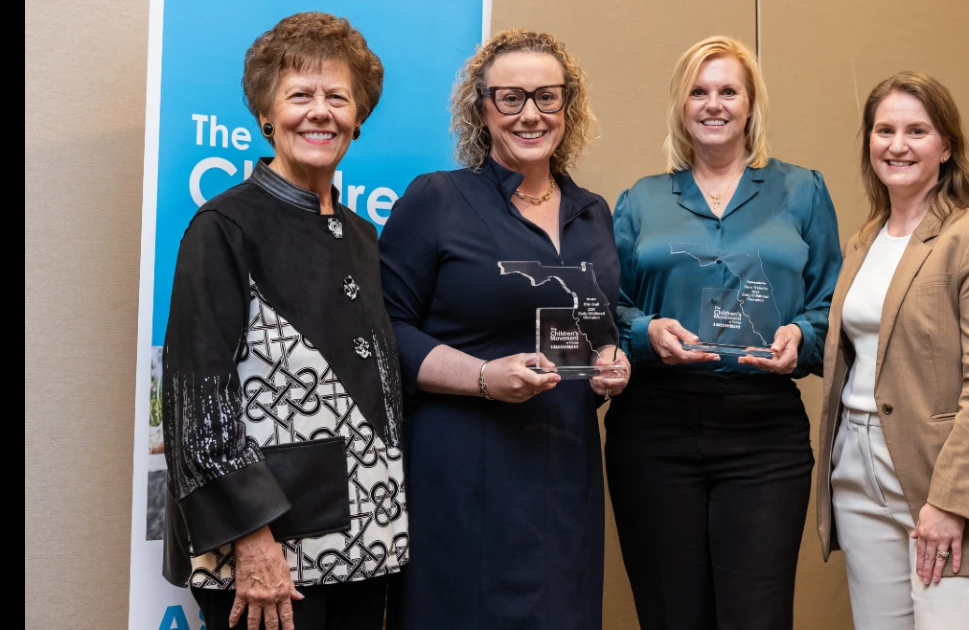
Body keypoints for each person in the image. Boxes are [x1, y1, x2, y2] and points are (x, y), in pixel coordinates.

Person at [159, 12, 405, 630]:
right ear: (267, 114)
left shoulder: (362, 235)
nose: (319, 112)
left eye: (337, 98)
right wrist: (251, 542)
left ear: (358, 117)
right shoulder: (225, 227)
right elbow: (197, 396)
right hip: (270, 562)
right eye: (300, 96)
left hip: (365, 548)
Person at [379, 28, 628, 630]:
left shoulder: (592, 210)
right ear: (481, 108)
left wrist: (614, 363)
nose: (530, 114)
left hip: (565, 468)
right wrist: (484, 376)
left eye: (547, 96)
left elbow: (602, 321)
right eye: (510, 97)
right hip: (463, 470)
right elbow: (385, 330)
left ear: (568, 105)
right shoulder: (438, 199)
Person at [606, 35, 841, 629]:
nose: (714, 104)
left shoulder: (802, 190)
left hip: (764, 431)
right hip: (654, 427)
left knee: (755, 617)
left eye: (728, 90)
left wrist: (801, 339)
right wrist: (645, 331)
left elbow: (830, 300)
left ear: (751, 104)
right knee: (671, 615)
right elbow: (608, 307)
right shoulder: (642, 199)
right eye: (699, 91)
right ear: (681, 107)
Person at [813, 71, 969, 629]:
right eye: (884, 129)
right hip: (858, 471)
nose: (897, 145)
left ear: (946, 148)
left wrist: (952, 502)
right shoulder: (862, 241)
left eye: (917, 130)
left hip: (948, 476)